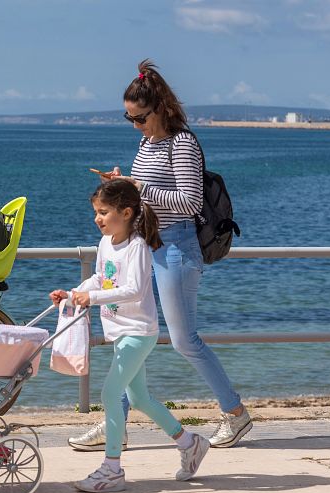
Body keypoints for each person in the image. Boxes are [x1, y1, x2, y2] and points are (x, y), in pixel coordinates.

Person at [69, 59, 252, 452]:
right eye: (128, 118)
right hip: (146, 244)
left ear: (160, 108)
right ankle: (113, 421)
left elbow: (188, 202)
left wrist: (141, 188)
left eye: (139, 118)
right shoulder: (147, 142)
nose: (135, 125)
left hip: (176, 249)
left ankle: (235, 414)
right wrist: (123, 185)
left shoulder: (181, 143)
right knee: (128, 334)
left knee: (184, 340)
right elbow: (145, 193)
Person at [51, 179, 209, 493]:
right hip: (119, 332)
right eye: (96, 212)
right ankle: (189, 442)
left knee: (110, 395)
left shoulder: (137, 245)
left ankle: (112, 468)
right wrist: (74, 294)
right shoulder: (106, 243)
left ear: (126, 212)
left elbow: (136, 290)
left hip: (138, 332)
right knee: (139, 398)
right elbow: (101, 278)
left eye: (103, 212)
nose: (98, 218)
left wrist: (91, 300)